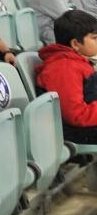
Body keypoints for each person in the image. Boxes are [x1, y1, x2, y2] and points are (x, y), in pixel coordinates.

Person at [36, 9, 97, 144]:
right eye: (94, 38)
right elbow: (76, 115)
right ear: (75, 44)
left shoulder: (77, 61)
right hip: (76, 132)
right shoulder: (64, 67)